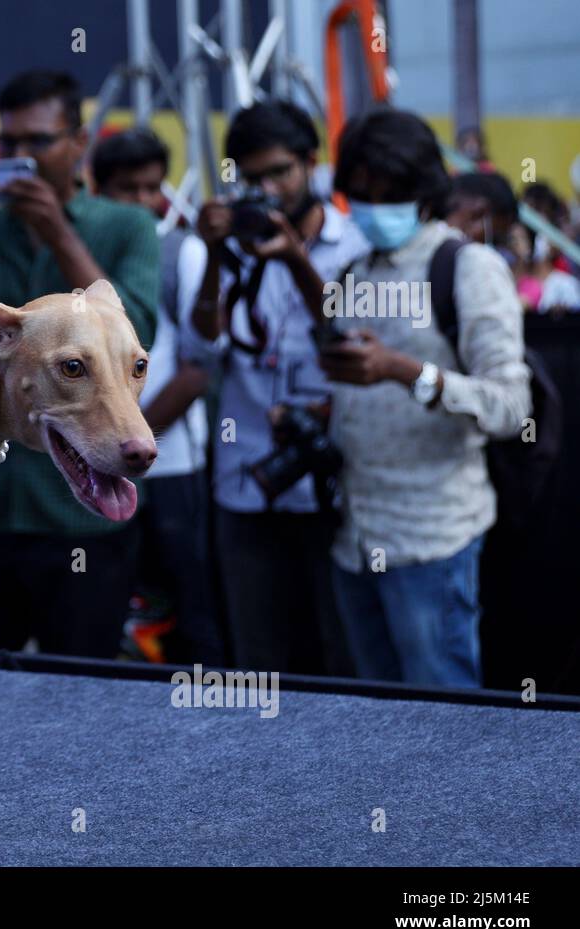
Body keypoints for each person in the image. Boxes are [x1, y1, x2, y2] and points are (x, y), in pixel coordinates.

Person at [0, 70, 159, 658]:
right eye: (9, 144)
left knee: (85, 687)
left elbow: (140, 327)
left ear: (78, 142)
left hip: (83, 524)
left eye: (38, 142)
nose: (21, 158)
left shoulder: (126, 225)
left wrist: (58, 230)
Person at [319, 107, 531, 687]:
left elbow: (512, 406)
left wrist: (404, 370)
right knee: (378, 719)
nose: (371, 208)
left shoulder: (468, 267)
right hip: (354, 536)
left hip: (432, 535)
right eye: (359, 194)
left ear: (422, 191)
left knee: (444, 723)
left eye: (386, 194)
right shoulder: (353, 273)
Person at [181, 99, 369, 676]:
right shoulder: (233, 248)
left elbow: (347, 341)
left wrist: (294, 260)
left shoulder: (357, 246)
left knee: (341, 648)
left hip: (331, 478)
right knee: (258, 656)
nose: (268, 189)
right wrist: (214, 253)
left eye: (281, 172)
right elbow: (201, 346)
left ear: (312, 164)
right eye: (253, 177)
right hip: (248, 477)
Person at [91, 128, 222, 665]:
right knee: (110, 611)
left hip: (168, 464)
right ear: (97, 191)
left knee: (189, 611)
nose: (145, 202)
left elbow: (198, 370)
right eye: (129, 190)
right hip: (95, 467)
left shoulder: (182, 251)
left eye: (153, 188)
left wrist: (130, 441)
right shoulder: (84, 252)